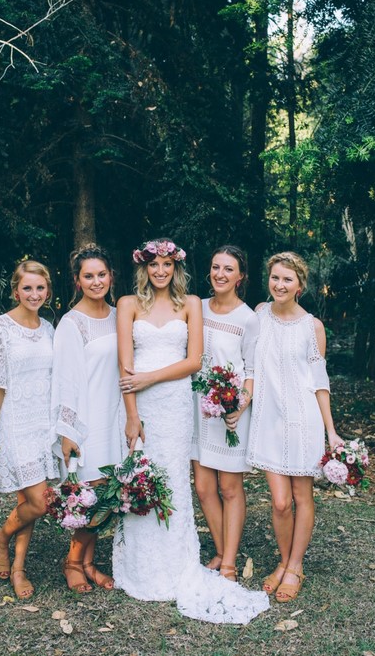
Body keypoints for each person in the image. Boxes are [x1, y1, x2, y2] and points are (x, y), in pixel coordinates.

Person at [113, 238, 269, 624]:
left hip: (179, 406)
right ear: (144, 268)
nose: (161, 271)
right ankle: (140, 565)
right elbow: (125, 368)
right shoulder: (128, 304)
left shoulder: (190, 305)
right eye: (154, 265)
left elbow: (193, 360)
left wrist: (150, 377)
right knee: (143, 474)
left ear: (176, 268)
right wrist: (132, 414)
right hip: (142, 405)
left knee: (177, 482)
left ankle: (179, 562)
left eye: (167, 265)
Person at [246, 251, 343, 603]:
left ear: (300, 285)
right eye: (275, 277)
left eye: (287, 279)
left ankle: (294, 566)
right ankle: (283, 560)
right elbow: (250, 365)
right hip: (269, 420)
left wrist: (331, 431)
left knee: (302, 497)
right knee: (280, 501)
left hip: (304, 420)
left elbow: (320, 382)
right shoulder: (259, 315)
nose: (280, 284)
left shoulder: (312, 327)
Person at [0, 260, 59, 599]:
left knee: (30, 498)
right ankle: (2, 536)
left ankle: (19, 568)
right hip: (14, 422)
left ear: (47, 292)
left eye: (40, 288)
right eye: (27, 288)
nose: (34, 294)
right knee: (40, 502)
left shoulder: (50, 329)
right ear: (16, 290)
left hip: (43, 422)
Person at [50, 244, 121, 593]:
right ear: (77, 281)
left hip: (115, 417)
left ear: (111, 276)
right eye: (88, 276)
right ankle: (73, 561)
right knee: (90, 495)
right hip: (86, 420)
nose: (97, 281)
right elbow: (65, 379)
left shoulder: (119, 314)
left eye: (102, 274)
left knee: (108, 494)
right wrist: (68, 431)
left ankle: (89, 563)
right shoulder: (71, 323)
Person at [191, 245, 258, 581]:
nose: (220, 274)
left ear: (240, 276)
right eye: (216, 267)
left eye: (228, 269)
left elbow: (252, 370)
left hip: (230, 411)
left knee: (229, 488)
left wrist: (238, 406)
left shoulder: (248, 318)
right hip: (196, 409)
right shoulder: (196, 307)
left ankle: (229, 562)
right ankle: (219, 550)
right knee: (203, 487)